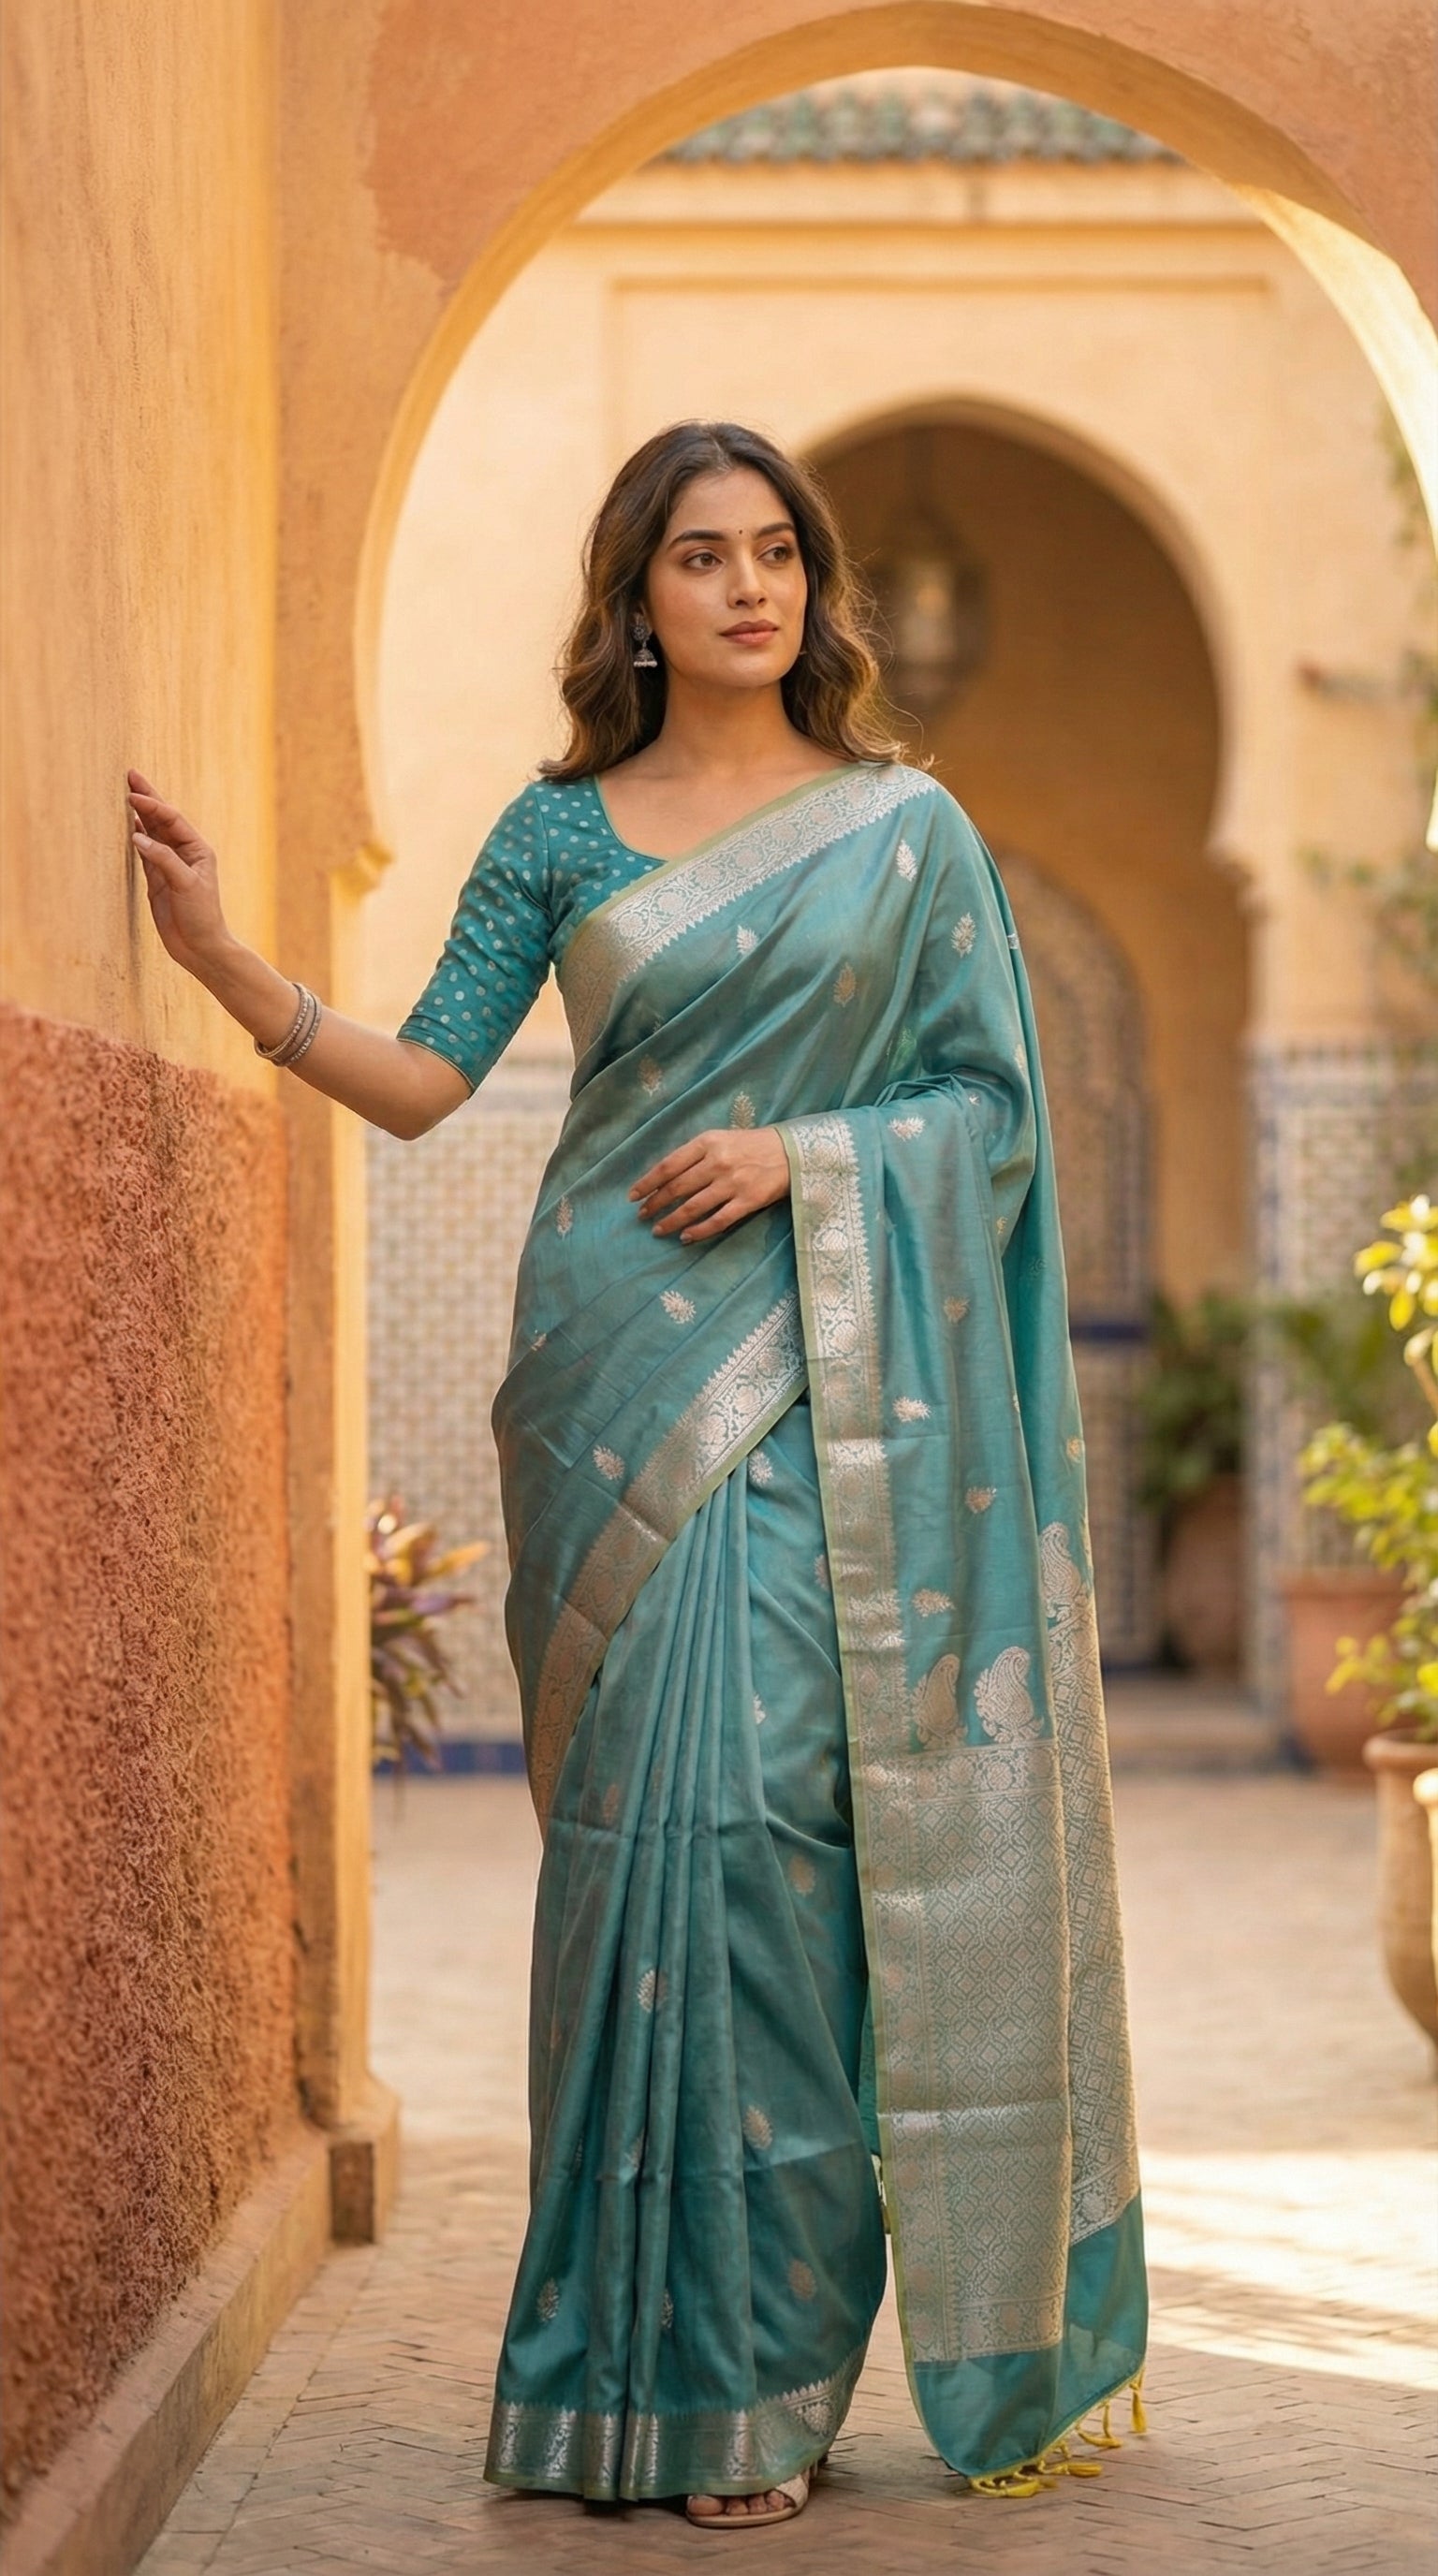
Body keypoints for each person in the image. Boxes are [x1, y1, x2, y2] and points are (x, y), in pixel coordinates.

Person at [129, 417, 1147, 2530]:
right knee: (633, 1868)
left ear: (816, 584)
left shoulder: (905, 829)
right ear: (640, 593)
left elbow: (991, 1103)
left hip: (818, 1376)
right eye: (703, 555)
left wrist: (808, 1155)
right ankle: (623, 2377)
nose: (750, 587)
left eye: (779, 552)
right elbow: (425, 1078)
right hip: (607, 1372)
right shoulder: (558, 831)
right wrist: (232, 962)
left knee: (768, 1825)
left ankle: (759, 2378)